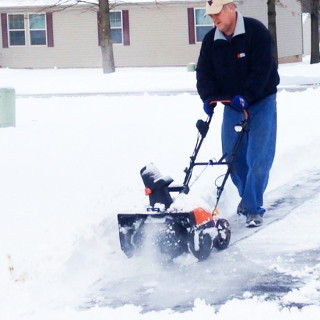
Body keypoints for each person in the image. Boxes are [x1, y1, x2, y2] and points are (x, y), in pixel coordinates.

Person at [196, 0, 280, 227]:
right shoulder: (211, 41)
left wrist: (247, 95)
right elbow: (204, 72)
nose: (214, 19)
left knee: (258, 159)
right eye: (211, 15)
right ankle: (247, 197)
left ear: (231, 8)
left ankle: (253, 208)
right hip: (232, 105)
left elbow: (263, 69)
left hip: (261, 102)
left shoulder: (256, 32)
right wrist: (208, 97)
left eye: (217, 13)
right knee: (232, 158)